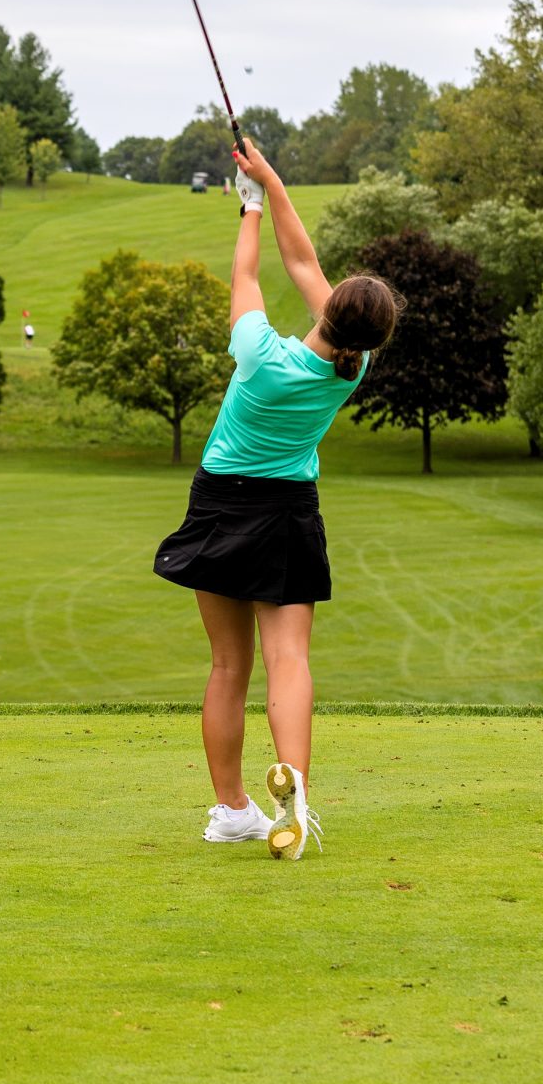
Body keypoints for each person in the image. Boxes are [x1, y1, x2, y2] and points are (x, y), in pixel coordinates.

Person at [153, 137, 400, 859]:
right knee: (288, 659)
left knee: (230, 666)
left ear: (332, 309)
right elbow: (305, 265)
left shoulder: (260, 354)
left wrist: (252, 203)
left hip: (223, 502)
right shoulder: (352, 369)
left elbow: (255, 270)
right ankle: (296, 787)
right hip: (290, 510)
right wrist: (270, 182)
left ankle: (233, 805)